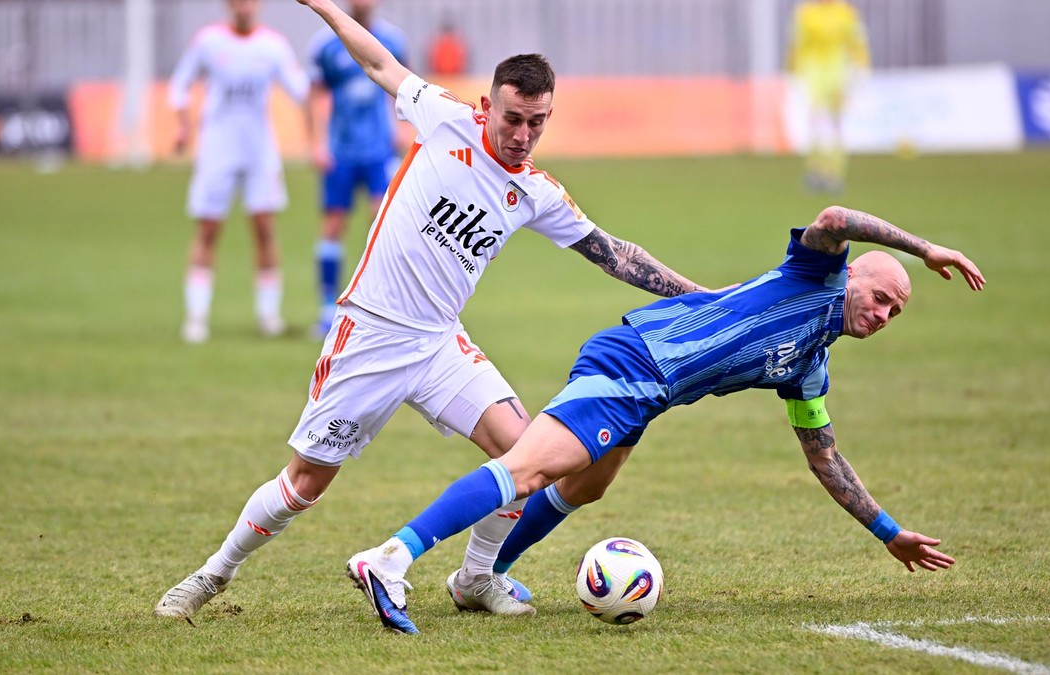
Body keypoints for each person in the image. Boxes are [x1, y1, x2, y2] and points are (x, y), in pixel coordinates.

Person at [154, 0, 710, 623]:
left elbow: (614, 254)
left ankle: (475, 579)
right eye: (513, 119)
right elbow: (377, 61)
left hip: (440, 343)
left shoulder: (536, 191)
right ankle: (213, 574)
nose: (522, 135)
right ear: (485, 106)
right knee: (304, 484)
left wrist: (709, 301)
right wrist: (323, 7)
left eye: (537, 123)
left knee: (526, 457)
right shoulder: (445, 119)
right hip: (370, 332)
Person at [346, 205, 986, 634]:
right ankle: (393, 558)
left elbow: (825, 457)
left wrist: (888, 532)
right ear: (853, 276)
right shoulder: (815, 274)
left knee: (586, 485)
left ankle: (476, 579)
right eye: (880, 298)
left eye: (893, 315)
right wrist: (925, 247)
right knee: (531, 468)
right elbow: (834, 216)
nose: (881, 316)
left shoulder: (809, 370)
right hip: (634, 360)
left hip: (651, 391)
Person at [170, 0, 310, 344]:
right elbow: (179, 85)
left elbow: (301, 90)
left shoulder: (273, 45)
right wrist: (184, 126)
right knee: (208, 229)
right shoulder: (208, 42)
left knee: (264, 228)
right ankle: (196, 317)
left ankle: (268, 316)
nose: (244, 6)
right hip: (217, 149)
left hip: (259, 151)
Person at [305, 0, 408, 338]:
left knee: (382, 222)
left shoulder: (393, 40)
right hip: (341, 151)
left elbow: (403, 88)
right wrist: (317, 143)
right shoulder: (325, 44)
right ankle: (325, 310)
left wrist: (401, 129)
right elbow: (316, 95)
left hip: (379, 150)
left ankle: (381, 308)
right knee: (333, 225)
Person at [785, 0, 870, 194]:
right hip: (813, 73)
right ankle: (815, 171)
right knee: (815, 123)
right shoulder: (806, 13)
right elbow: (797, 44)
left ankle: (835, 173)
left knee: (835, 123)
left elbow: (857, 42)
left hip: (838, 72)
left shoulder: (846, 12)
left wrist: (861, 67)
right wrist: (791, 70)